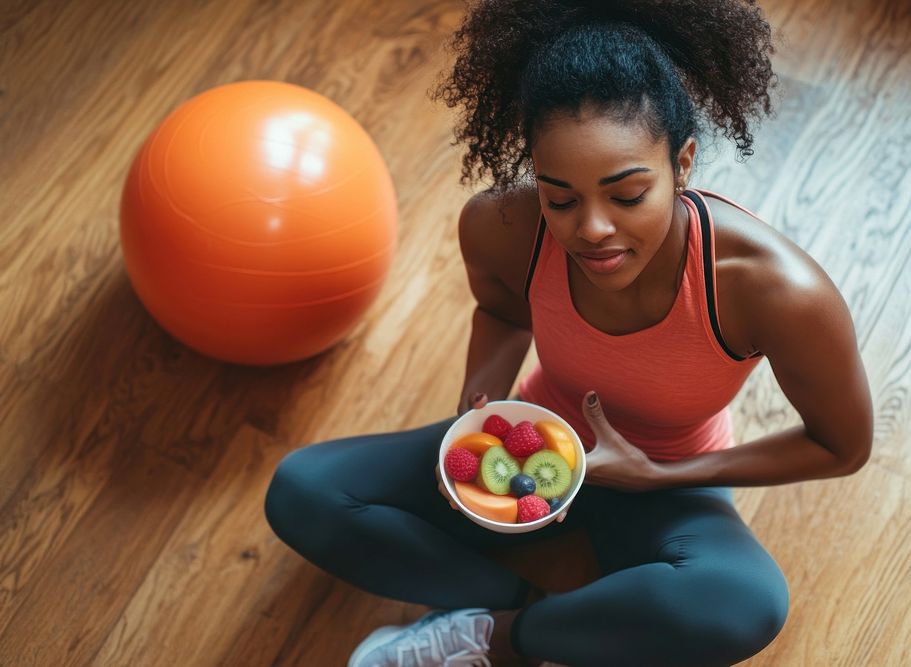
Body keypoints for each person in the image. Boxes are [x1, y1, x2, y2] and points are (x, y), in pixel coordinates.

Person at [263, 0, 875, 665]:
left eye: (627, 194)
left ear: (684, 162)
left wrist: (664, 474)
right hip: (532, 442)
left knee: (746, 601)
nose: (592, 229)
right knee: (303, 491)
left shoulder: (773, 288)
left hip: (667, 477)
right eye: (560, 198)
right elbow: (502, 311)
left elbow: (841, 446)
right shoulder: (503, 228)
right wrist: (481, 402)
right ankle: (507, 607)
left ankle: (499, 640)